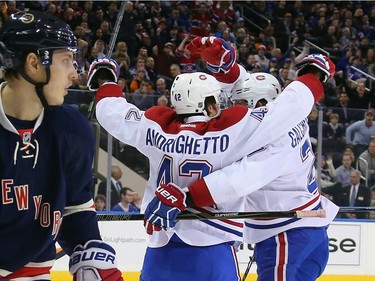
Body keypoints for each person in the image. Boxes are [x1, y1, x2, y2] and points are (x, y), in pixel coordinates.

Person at [88, 37, 331, 281]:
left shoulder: (155, 127)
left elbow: (115, 115)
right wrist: (313, 76)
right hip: (218, 244)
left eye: (241, 102)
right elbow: (290, 105)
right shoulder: (243, 128)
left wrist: (105, 80)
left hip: (286, 234)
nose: (234, 104)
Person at [0, 11, 122, 280]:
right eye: (66, 60)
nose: (74, 74)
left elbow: (75, 207)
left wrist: (88, 255)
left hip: (33, 272)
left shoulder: (71, 129)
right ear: (33, 63)